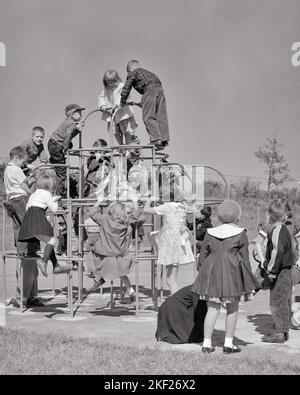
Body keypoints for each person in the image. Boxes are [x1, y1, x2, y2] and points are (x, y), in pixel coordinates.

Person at [192, 200, 261, 354]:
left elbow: (203, 256)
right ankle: (229, 344)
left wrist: (202, 271)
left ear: (220, 217)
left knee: (212, 308)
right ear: (237, 217)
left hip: (212, 273)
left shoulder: (210, 232)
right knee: (232, 309)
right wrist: (248, 278)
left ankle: (207, 343)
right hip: (232, 274)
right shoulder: (241, 233)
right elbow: (245, 257)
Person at [3, 146, 41, 307]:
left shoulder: (8, 170)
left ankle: (29, 296)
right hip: (19, 199)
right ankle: (25, 297)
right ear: (17, 159)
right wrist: (34, 178)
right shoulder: (16, 170)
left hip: (13, 200)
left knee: (22, 230)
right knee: (28, 227)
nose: (24, 164)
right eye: (23, 161)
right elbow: (25, 188)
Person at [254, 200, 295, 343]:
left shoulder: (277, 230)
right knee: (284, 301)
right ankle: (283, 331)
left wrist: (269, 269)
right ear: (285, 217)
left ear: (270, 216)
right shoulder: (283, 229)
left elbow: (278, 252)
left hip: (280, 272)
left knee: (277, 302)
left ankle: (279, 333)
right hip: (286, 270)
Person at [18, 173, 70, 276]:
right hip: (37, 217)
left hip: (28, 219)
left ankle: (56, 266)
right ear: (50, 186)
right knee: (52, 240)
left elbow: (27, 208)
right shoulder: (47, 194)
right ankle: (44, 261)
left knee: (48, 242)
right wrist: (55, 201)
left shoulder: (34, 194)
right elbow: (54, 209)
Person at [143, 193, 195, 296]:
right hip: (179, 241)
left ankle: (177, 302)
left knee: (170, 279)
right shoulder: (182, 207)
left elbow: (146, 210)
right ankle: (176, 301)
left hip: (171, 242)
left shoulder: (166, 207)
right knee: (172, 278)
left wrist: (149, 200)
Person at [86, 200, 137, 302]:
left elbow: (92, 213)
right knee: (121, 273)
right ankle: (130, 290)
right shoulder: (126, 221)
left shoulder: (104, 219)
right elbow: (137, 216)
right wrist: (135, 203)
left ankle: (98, 280)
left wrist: (98, 202)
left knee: (91, 258)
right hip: (118, 252)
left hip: (104, 251)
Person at [120, 60, 170, 151]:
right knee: (161, 116)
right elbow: (153, 96)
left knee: (148, 117)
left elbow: (126, 87)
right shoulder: (150, 73)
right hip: (160, 90)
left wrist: (122, 101)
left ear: (129, 70)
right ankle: (164, 140)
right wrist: (141, 103)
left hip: (148, 89)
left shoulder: (133, 73)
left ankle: (156, 139)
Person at [48, 104, 85, 197]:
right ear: (72, 114)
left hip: (53, 144)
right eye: (79, 113)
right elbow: (68, 135)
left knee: (61, 165)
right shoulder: (72, 124)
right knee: (62, 171)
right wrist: (65, 149)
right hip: (56, 146)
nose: (81, 115)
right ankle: (62, 194)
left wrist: (77, 128)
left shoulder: (69, 122)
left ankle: (53, 161)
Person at [98, 70, 138, 147]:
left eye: (111, 81)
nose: (109, 84)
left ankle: (128, 146)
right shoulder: (106, 89)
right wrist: (102, 106)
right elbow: (101, 98)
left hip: (123, 113)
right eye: (107, 82)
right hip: (112, 114)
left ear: (116, 79)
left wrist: (119, 103)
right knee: (114, 131)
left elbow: (126, 95)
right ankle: (121, 145)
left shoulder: (121, 86)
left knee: (127, 130)